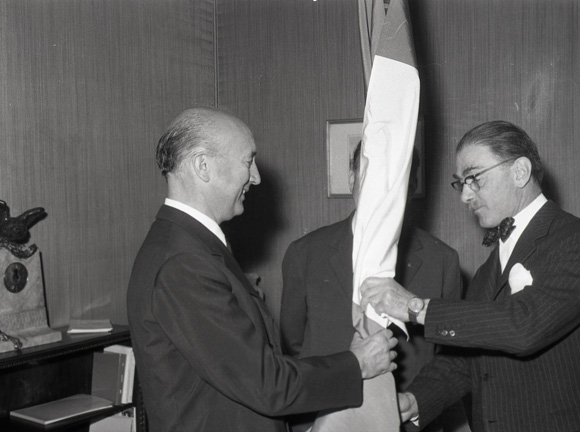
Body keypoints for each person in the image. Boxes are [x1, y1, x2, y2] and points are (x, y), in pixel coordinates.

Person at [127, 107, 398, 432]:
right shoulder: (184, 263)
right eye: (247, 161)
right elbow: (266, 384)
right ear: (203, 166)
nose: (255, 177)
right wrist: (358, 364)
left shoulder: (187, 246)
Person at [360, 120, 580, 432]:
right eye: (461, 183)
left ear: (520, 172)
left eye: (474, 178)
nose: (465, 196)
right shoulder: (485, 273)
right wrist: (414, 401)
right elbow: (465, 360)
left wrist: (414, 307)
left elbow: (525, 326)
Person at [280, 141, 466, 431]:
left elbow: (451, 359)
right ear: (352, 179)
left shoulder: (442, 260)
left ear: (411, 186)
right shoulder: (304, 254)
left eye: (395, 177)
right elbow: (292, 347)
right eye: (371, 174)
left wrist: (417, 402)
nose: (382, 188)